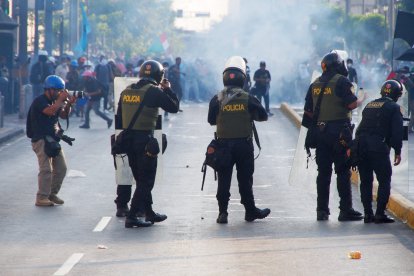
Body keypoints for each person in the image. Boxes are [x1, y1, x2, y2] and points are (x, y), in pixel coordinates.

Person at [115, 60, 179, 228]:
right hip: (144, 141)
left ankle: (148, 212)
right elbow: (174, 107)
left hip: (128, 140)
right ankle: (133, 216)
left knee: (139, 177)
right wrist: (168, 89)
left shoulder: (126, 91)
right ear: (159, 76)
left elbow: (120, 118)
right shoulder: (154, 92)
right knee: (146, 181)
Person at [207, 56, 271, 224]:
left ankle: (222, 213)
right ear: (243, 79)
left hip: (223, 146)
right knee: (245, 179)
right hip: (243, 145)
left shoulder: (217, 99)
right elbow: (263, 116)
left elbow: (211, 120)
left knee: (224, 179)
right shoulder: (248, 98)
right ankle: (250, 211)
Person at [303, 50, 364, 221]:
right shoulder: (342, 81)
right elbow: (351, 104)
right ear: (338, 65)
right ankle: (345, 210)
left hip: (320, 134)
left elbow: (308, 112)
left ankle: (321, 210)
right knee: (343, 171)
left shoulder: (314, 84)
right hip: (339, 135)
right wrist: (361, 98)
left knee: (323, 173)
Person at [355, 80, 404, 223]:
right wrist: (398, 151)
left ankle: (367, 214)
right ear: (397, 95)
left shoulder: (370, 105)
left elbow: (360, 127)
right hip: (378, 147)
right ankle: (380, 213)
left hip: (362, 145)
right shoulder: (394, 108)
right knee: (384, 179)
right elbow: (397, 132)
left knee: (365, 180)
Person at [26, 75, 76, 206]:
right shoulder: (40, 101)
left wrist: (69, 103)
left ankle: (51, 194)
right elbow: (49, 112)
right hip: (40, 140)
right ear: (50, 90)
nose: (60, 93)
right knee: (46, 169)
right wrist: (60, 100)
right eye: (58, 91)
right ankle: (41, 197)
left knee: (61, 168)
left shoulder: (55, 102)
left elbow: (64, 115)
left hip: (52, 140)